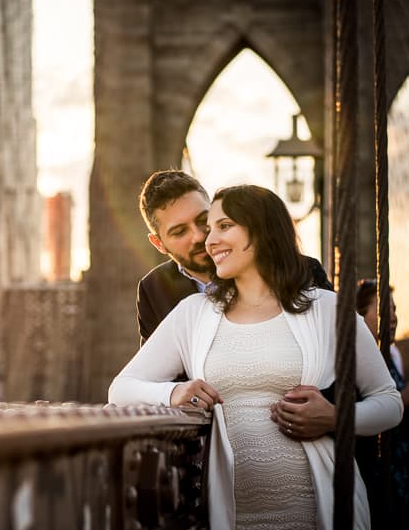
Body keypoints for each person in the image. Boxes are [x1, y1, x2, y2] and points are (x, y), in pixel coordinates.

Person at [109, 184, 403, 529]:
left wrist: (336, 417)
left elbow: (389, 402)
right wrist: (172, 392)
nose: (208, 239)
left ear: (261, 227)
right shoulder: (191, 314)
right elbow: (121, 388)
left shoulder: (327, 309)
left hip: (318, 508)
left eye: (222, 225)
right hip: (230, 513)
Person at [136, 169, 333, 345]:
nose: (198, 236)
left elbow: (342, 357)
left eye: (203, 220)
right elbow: (146, 379)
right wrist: (175, 388)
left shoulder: (303, 270)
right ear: (158, 243)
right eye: (179, 232)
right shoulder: (153, 289)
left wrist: (318, 387)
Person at [355, 278, 409, 529]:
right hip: (377, 468)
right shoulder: (360, 362)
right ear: (360, 315)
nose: (394, 316)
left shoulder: (390, 355)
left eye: (395, 309)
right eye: (385, 308)